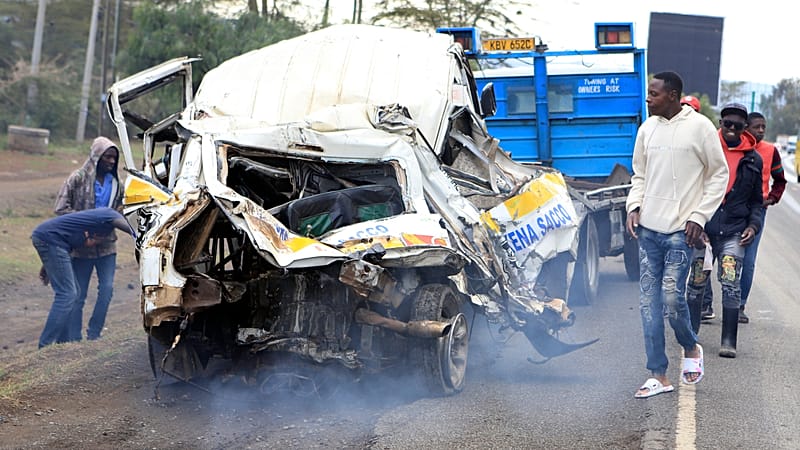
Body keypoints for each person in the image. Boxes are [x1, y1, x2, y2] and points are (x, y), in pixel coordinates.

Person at [626, 71, 729, 398]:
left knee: (671, 297)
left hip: (680, 233)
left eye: (653, 94)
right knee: (647, 304)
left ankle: (690, 345)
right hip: (649, 232)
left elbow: (718, 175)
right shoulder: (647, 129)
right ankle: (658, 374)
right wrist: (633, 206)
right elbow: (639, 175)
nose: (648, 99)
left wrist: (699, 216)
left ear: (672, 95)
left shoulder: (699, 128)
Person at [698, 112, 785, 324]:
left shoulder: (767, 152)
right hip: (722, 211)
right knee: (706, 258)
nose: (761, 131)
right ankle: (704, 303)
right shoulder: (717, 148)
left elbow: (780, 180)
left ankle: (739, 306)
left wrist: (770, 199)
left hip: (753, 212)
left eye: (764, 127)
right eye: (757, 127)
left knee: (747, 260)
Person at [32, 208, 134, 348]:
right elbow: (129, 228)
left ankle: (63, 341)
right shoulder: (111, 215)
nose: (93, 245)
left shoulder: (88, 223)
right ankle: (46, 345)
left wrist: (47, 266)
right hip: (49, 240)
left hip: (49, 239)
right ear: (91, 234)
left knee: (75, 293)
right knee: (67, 294)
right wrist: (141, 234)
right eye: (95, 241)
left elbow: (62, 243)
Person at [54, 137, 123, 341]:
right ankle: (74, 338)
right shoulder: (77, 178)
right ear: (95, 157)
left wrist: (115, 217)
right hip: (82, 247)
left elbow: (121, 208)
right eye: (107, 156)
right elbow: (60, 208)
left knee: (107, 290)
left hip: (107, 246)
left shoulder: (117, 183)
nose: (111, 161)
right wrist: (84, 227)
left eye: (114, 158)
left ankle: (94, 333)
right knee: (79, 295)